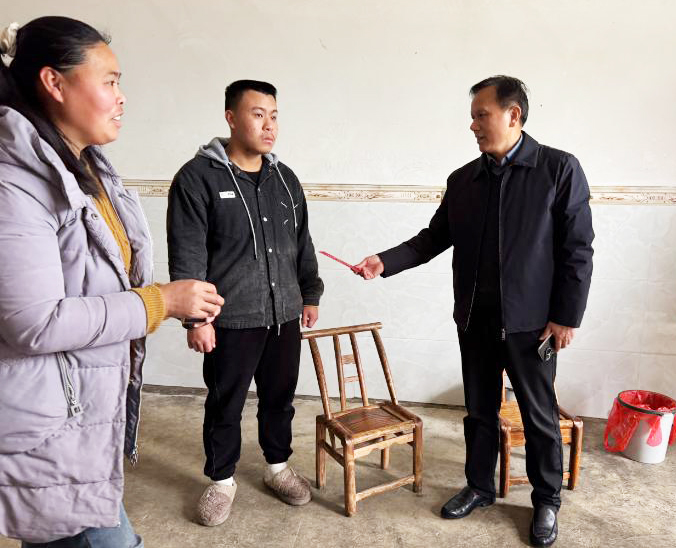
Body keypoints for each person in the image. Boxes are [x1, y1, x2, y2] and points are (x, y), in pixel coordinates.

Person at [0, 17, 224, 546]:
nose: (121, 98)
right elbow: (32, 322)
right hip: (48, 419)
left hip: (81, 411)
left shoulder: (86, 168)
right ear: (54, 83)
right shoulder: (15, 183)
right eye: (110, 81)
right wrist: (161, 301)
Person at [357, 76, 593, 547]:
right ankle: (479, 487)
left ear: (513, 115)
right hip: (475, 320)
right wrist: (385, 261)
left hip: (532, 326)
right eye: (472, 117)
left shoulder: (558, 169)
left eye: (481, 115)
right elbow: (432, 238)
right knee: (479, 411)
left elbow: (578, 250)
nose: (473, 126)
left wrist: (566, 317)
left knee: (538, 416)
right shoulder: (464, 180)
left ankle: (546, 500)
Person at [167, 79, 324, 527]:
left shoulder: (285, 179)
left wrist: (309, 293)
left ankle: (277, 467)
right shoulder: (197, 178)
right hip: (230, 318)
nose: (269, 125)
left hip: (284, 314)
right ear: (231, 118)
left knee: (280, 398)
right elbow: (188, 254)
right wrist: (196, 320)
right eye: (258, 115)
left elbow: (301, 242)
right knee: (225, 404)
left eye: (274, 116)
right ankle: (221, 481)